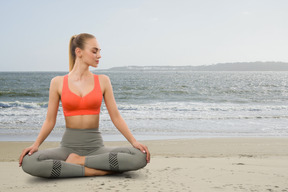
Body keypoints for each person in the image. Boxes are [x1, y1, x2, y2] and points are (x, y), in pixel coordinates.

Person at [18, 33, 150, 178]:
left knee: (139, 156)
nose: (99, 55)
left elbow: (116, 117)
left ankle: (80, 161)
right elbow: (50, 120)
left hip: (96, 148)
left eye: (99, 51)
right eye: (94, 51)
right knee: (29, 161)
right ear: (78, 52)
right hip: (67, 148)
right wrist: (36, 144)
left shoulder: (103, 80)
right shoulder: (58, 82)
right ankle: (94, 170)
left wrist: (134, 141)